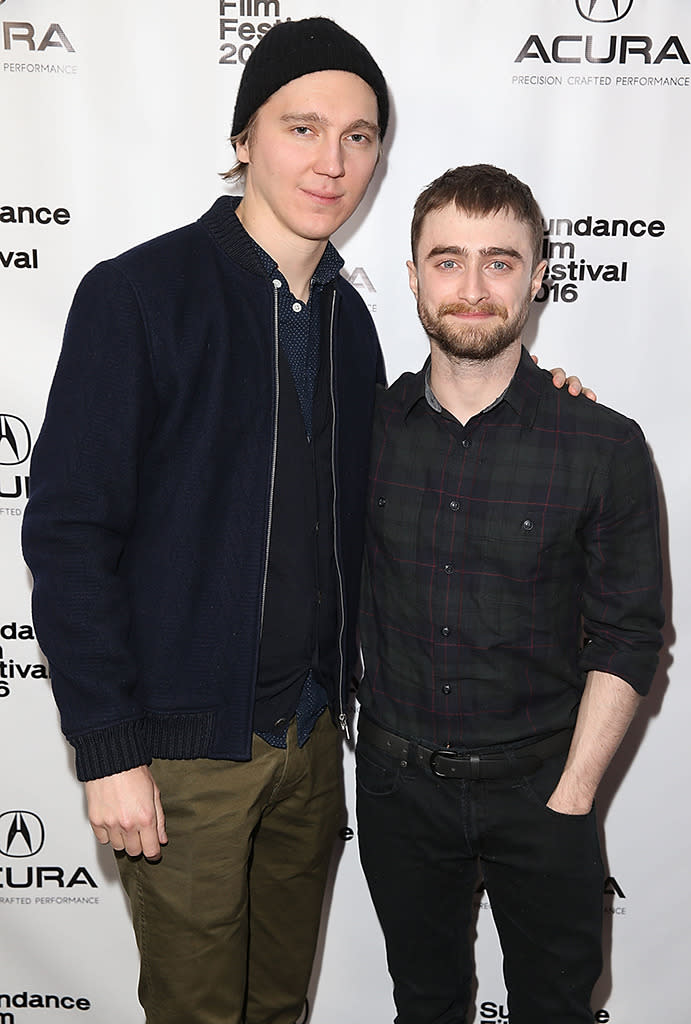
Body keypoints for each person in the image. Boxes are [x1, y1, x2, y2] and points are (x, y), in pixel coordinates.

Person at [22, 19, 587, 1024]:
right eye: (302, 127)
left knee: (278, 1007)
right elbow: (68, 533)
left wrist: (532, 401)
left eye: (359, 136)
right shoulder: (140, 296)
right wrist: (108, 747)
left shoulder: (348, 316)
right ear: (245, 138)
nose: (332, 162)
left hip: (316, 741)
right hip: (187, 752)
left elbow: (407, 467)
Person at [356, 164, 664, 1024]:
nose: (471, 287)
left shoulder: (601, 445)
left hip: (543, 790)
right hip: (395, 792)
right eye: (447, 260)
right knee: (423, 1004)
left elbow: (629, 632)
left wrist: (571, 797)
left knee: (556, 1009)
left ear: (536, 276)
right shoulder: (362, 433)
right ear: (414, 277)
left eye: (498, 262)